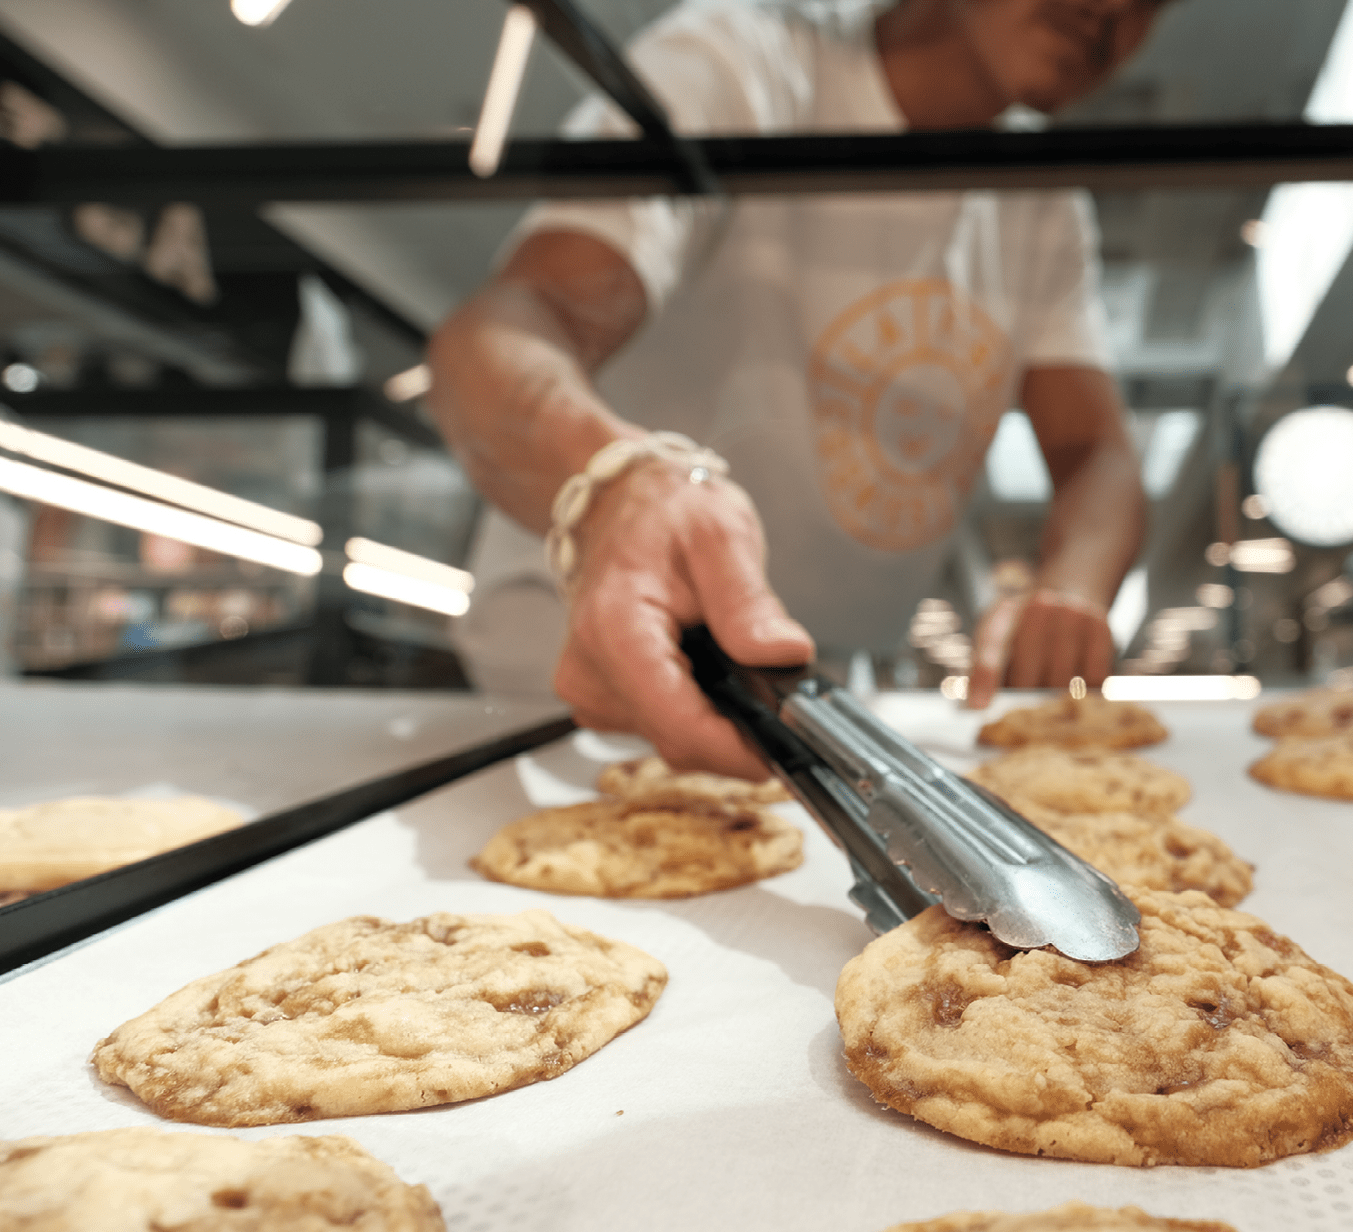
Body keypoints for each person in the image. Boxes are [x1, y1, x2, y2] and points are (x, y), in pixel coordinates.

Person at [429, 0, 1166, 779]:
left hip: (820, 693)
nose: (1115, 8)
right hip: (582, 677)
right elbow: (509, 326)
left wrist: (1072, 588)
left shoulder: (1042, 199)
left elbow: (1097, 453)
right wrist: (617, 484)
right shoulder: (743, 63)